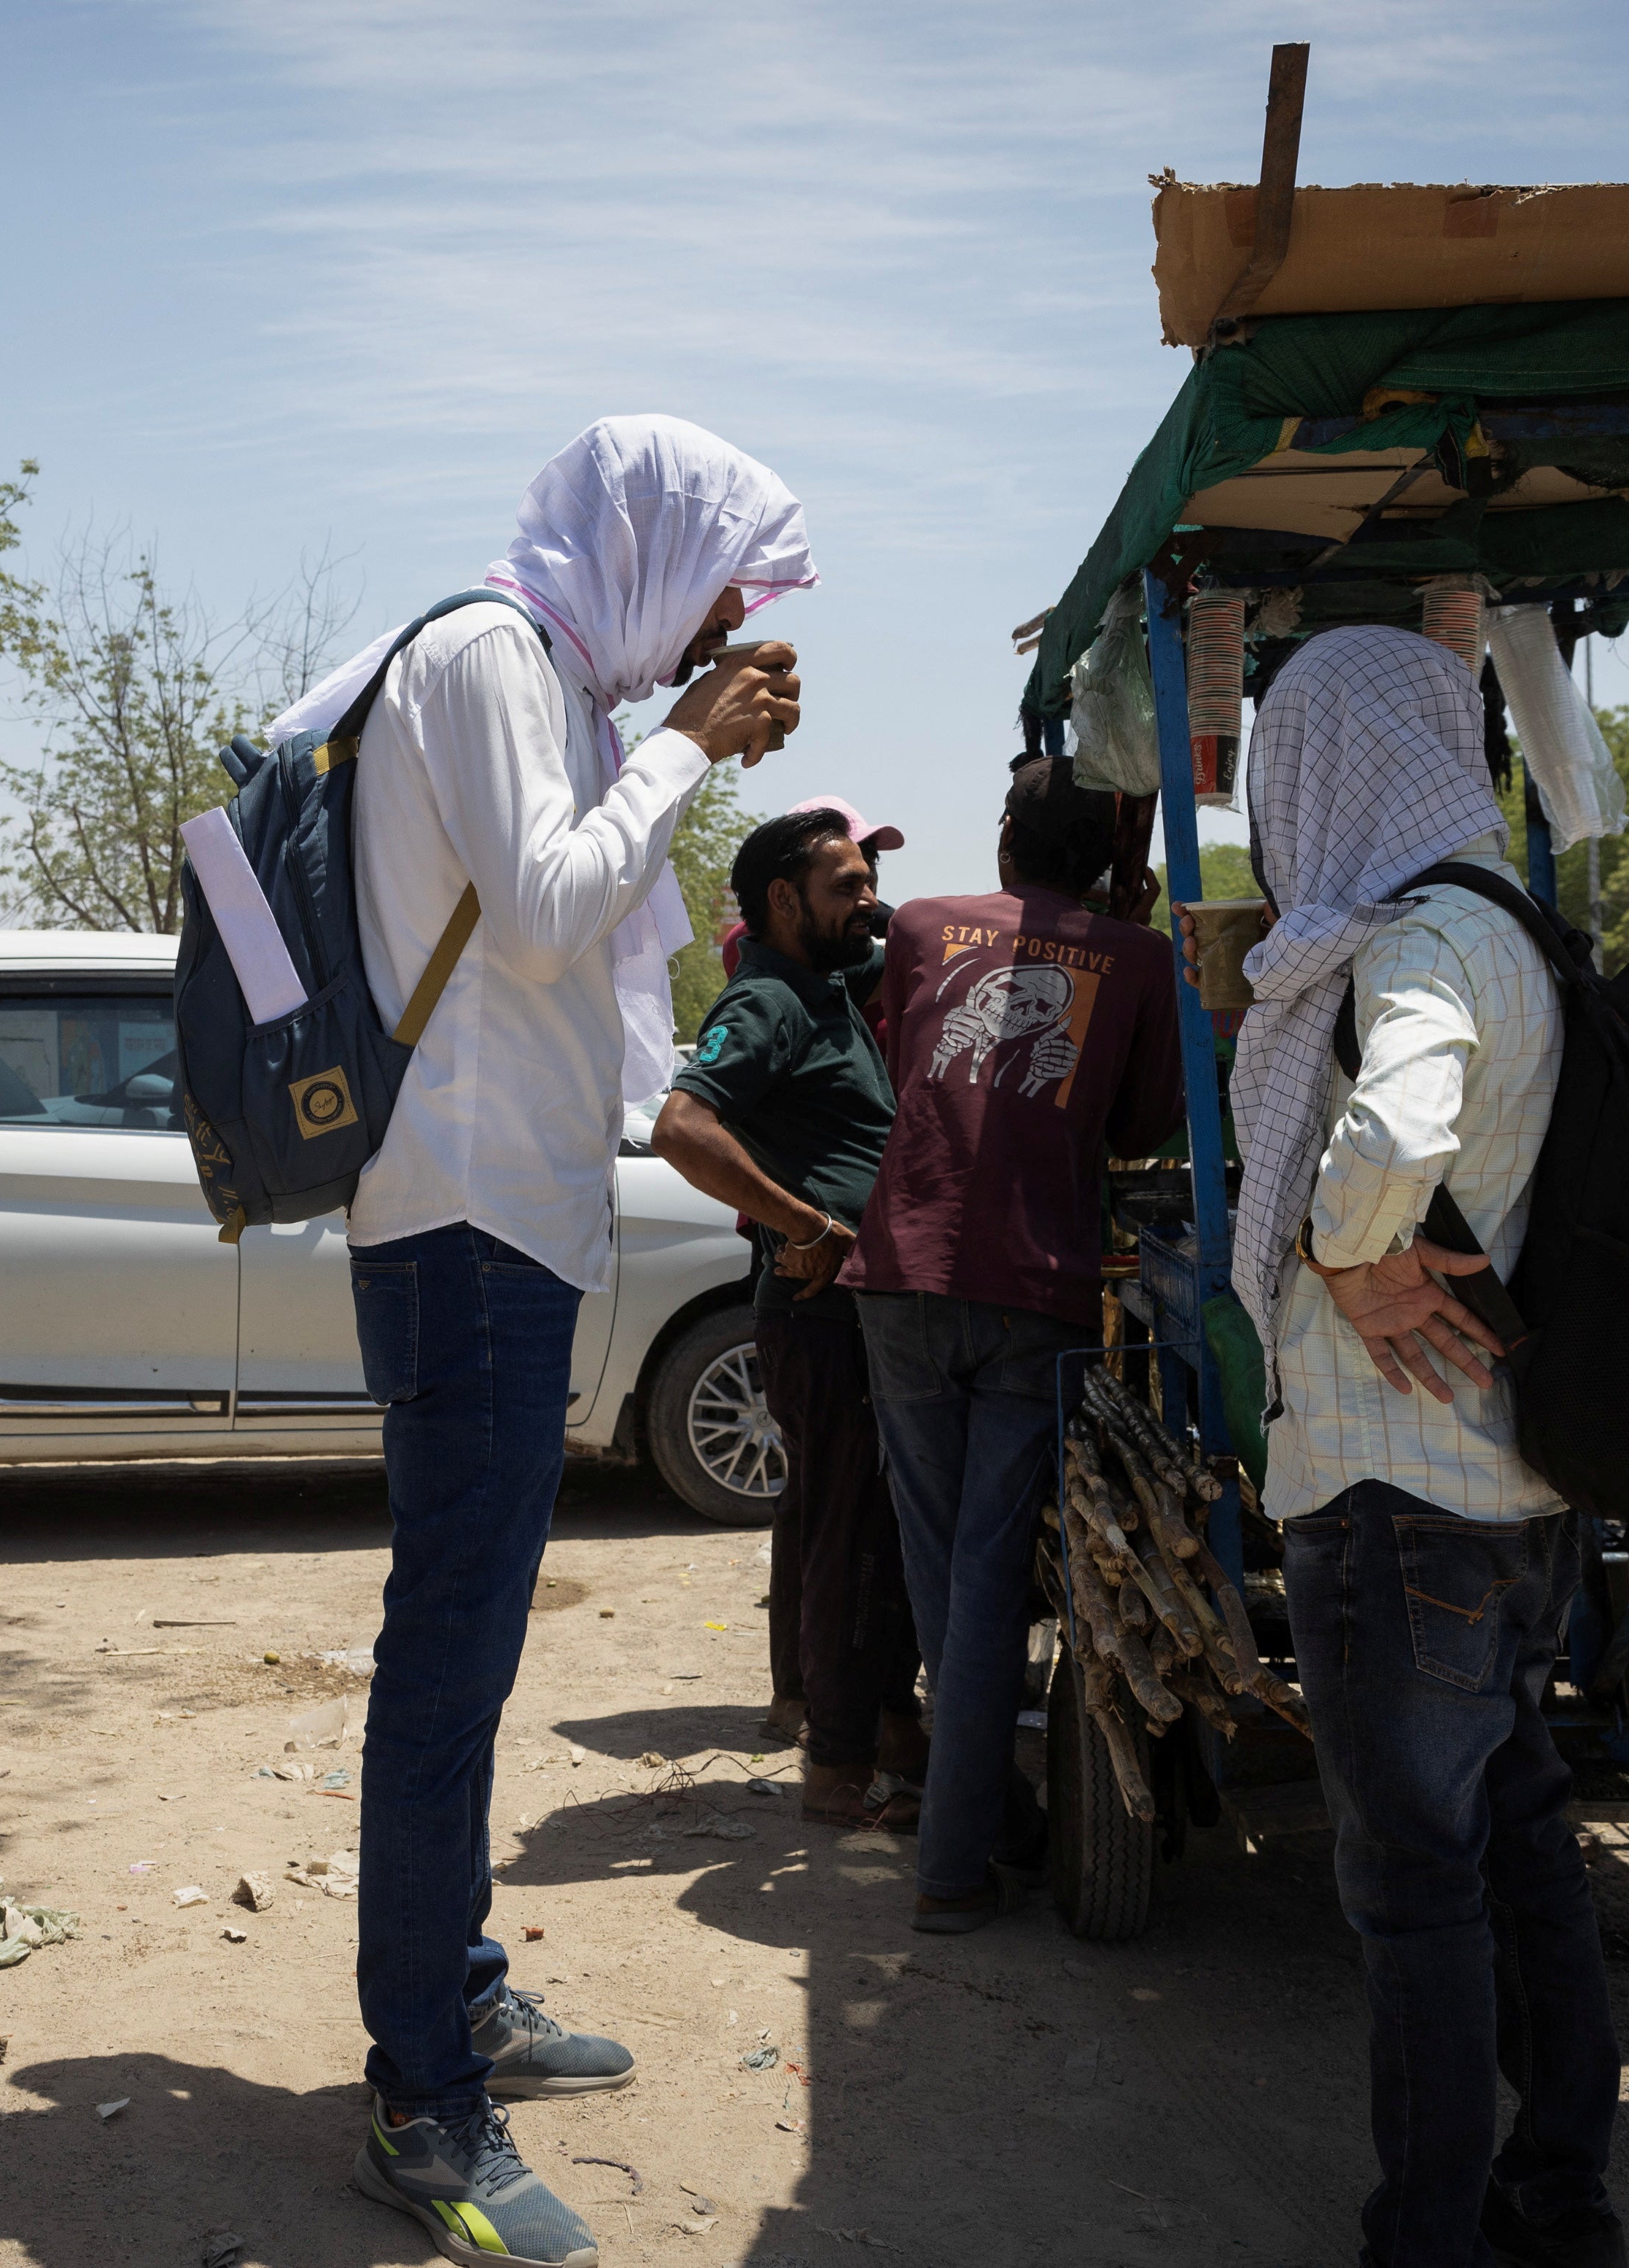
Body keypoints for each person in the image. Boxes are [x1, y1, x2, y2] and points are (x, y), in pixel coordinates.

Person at [298, 415, 810, 2268]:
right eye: (727, 581)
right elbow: (542, 908)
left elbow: (602, 990)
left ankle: (457, 1987)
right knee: (449, 1663)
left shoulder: (545, 683)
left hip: (497, 1217)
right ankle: (423, 2093)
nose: (737, 623)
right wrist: (691, 743)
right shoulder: (493, 657)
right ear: (655, 549)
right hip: (459, 1225)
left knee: (474, 1651)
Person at [1224, 625, 1618, 2268]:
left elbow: (1393, 1127)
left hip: (1395, 1502)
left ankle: (1429, 2237)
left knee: (1414, 1897)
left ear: (1330, 766)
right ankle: (1561, 2202)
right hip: (1512, 1500)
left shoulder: (1418, 942)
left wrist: (1339, 1248)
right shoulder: (1521, 925)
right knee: (1521, 1849)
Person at [841, 755, 1182, 1933]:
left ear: (1004, 847)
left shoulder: (927, 921)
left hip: (900, 1268)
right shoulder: (1142, 960)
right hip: (1034, 1284)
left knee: (946, 1566)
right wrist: (1120, 944)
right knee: (981, 1575)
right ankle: (954, 1863)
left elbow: (916, 1076)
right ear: (1111, 864)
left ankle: (980, 1830)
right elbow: (1139, 1128)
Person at [653, 802, 923, 1832]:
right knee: (850, 1537)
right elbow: (681, 1123)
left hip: (852, 1314)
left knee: (868, 1528)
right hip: (819, 1314)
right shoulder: (767, 999)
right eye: (845, 886)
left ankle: (886, 1730)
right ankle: (839, 1770)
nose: (866, 900)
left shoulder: (826, 985)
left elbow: (903, 941)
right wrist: (805, 1222)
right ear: (781, 900)